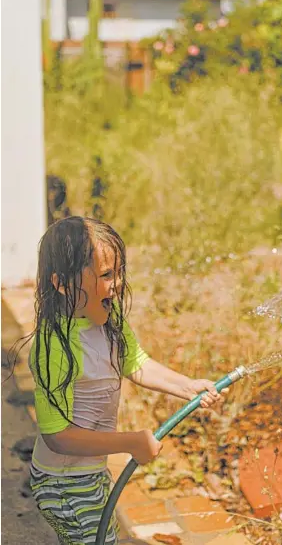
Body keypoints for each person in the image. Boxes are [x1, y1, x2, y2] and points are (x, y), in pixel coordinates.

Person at [28, 216, 224, 544]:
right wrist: (132, 441)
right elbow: (58, 436)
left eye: (119, 272)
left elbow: (137, 363)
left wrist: (187, 386)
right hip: (62, 481)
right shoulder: (55, 346)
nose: (117, 284)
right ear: (61, 283)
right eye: (106, 275)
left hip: (89, 471)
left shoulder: (109, 319)